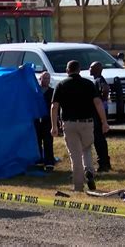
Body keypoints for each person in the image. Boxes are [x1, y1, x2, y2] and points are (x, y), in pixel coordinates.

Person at [51, 60, 109, 192]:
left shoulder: (61, 85)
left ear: (67, 70)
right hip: (87, 123)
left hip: (69, 123)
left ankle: (78, 186)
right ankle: (89, 170)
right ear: (79, 70)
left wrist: (54, 126)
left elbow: (54, 106)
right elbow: (98, 103)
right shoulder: (88, 84)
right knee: (87, 149)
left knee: (75, 155)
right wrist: (104, 122)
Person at [89, 61, 112, 172]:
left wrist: (103, 99)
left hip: (98, 114)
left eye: (91, 67)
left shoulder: (99, 80)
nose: (89, 69)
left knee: (98, 138)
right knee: (99, 138)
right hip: (99, 112)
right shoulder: (96, 79)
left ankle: (103, 163)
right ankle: (105, 162)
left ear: (97, 69)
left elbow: (106, 89)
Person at [35, 71, 55, 172]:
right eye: (44, 78)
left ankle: (49, 163)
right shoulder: (35, 91)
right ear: (40, 79)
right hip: (36, 121)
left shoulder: (52, 92)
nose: (46, 80)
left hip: (48, 120)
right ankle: (38, 161)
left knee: (48, 142)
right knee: (37, 141)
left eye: (48, 78)